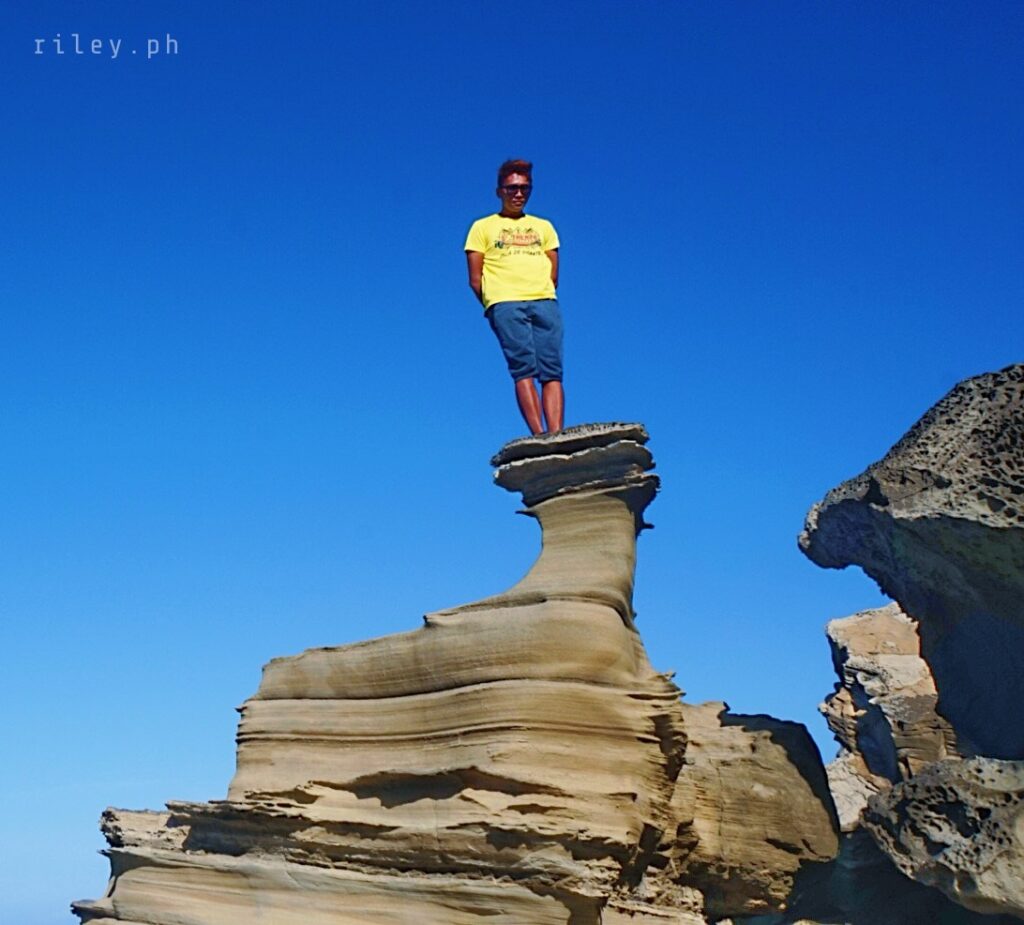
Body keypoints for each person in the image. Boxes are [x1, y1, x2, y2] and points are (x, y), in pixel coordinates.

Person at [465, 159, 563, 434]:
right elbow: (475, 276)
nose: (518, 194)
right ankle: (540, 435)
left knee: (552, 369)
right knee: (523, 368)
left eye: (524, 188)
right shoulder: (482, 227)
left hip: (543, 300)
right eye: (512, 188)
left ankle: (557, 433)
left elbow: (553, 268)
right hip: (505, 302)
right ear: (500, 191)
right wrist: (492, 304)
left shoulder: (543, 227)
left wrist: (545, 291)